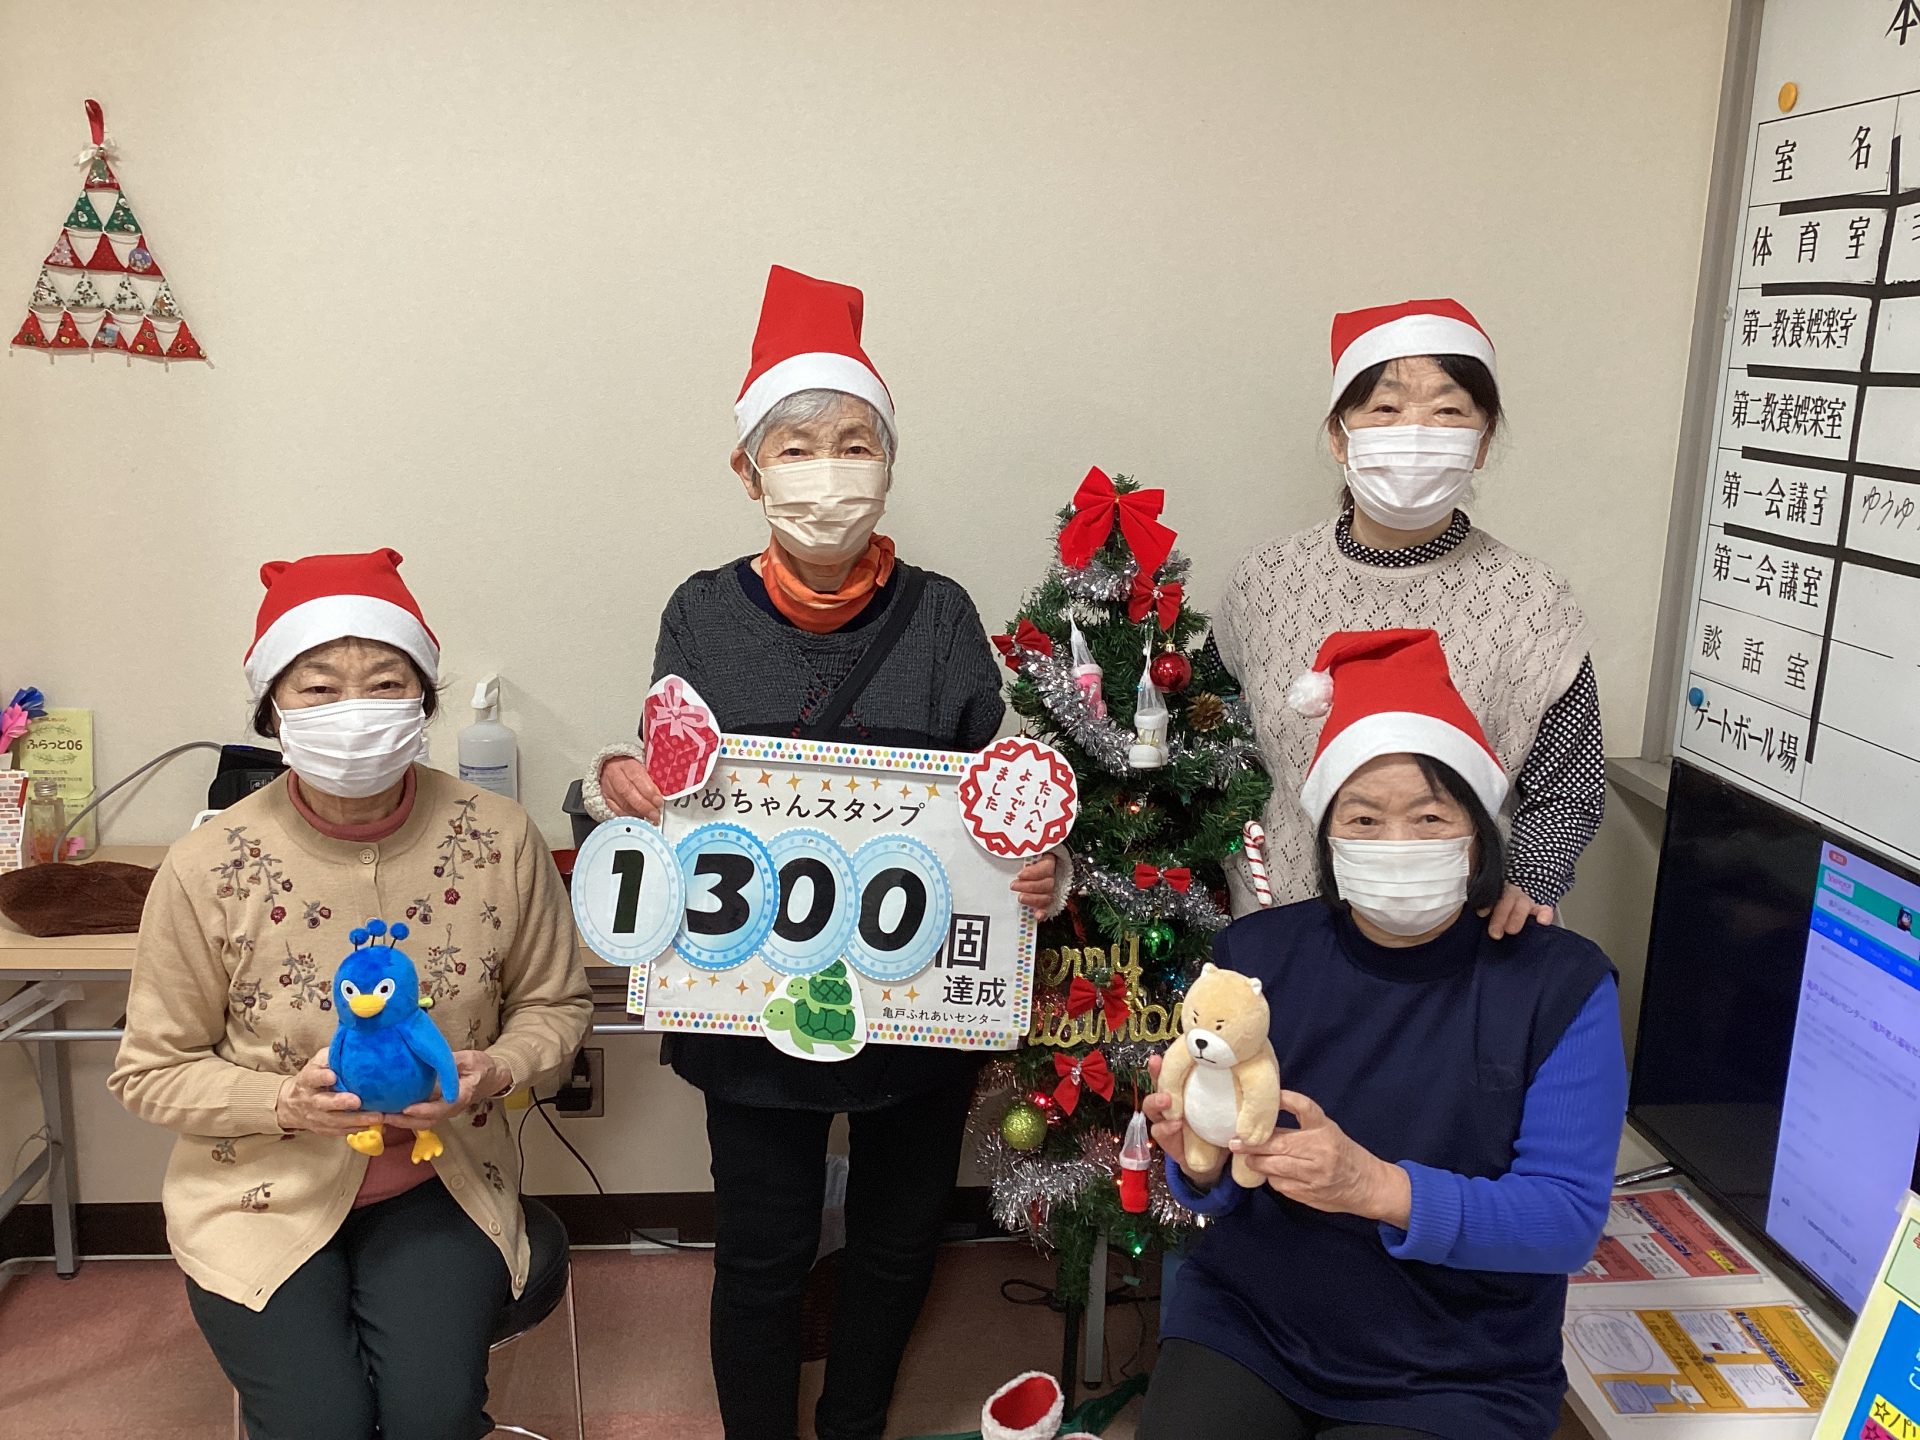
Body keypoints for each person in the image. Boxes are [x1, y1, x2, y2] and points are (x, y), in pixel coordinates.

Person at [577, 265, 1066, 1440]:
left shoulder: (941, 617)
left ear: (889, 463)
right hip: (748, 1003)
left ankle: (852, 1425)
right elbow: (666, 785)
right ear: (747, 469)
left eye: (854, 443)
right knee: (762, 1249)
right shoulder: (701, 613)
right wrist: (615, 784)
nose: (828, 471)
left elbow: (992, 800)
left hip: (916, 1004)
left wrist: (1036, 866)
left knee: (899, 1242)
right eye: (796, 448)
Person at [110, 549, 592, 1440]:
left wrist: (493, 1070)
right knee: (318, 1424)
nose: (354, 710)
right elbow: (151, 1071)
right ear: (273, 711)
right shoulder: (206, 865)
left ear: (423, 701)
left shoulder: (499, 837)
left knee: (433, 1416)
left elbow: (556, 1007)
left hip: (442, 1184)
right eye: (320, 688)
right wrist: (281, 1103)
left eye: (385, 683)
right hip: (254, 1194)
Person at [1138, 629, 1626, 1440]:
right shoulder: (1256, 957)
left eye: (1430, 816)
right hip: (1253, 1324)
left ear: (1479, 834)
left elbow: (1566, 1222)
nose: (1396, 845)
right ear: (1328, 837)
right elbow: (1219, 1181)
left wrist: (1373, 1188)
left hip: (1458, 1367)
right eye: (1363, 818)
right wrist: (1198, 1157)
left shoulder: (1558, 985)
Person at [1211, 299, 1602, 935]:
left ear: (1482, 441)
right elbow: (1207, 739)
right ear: (1340, 435)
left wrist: (1533, 877)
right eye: (1386, 409)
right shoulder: (1264, 581)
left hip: (1467, 933)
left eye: (1447, 412)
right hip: (1284, 923)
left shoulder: (1534, 600)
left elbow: (1569, 785)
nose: (1415, 433)